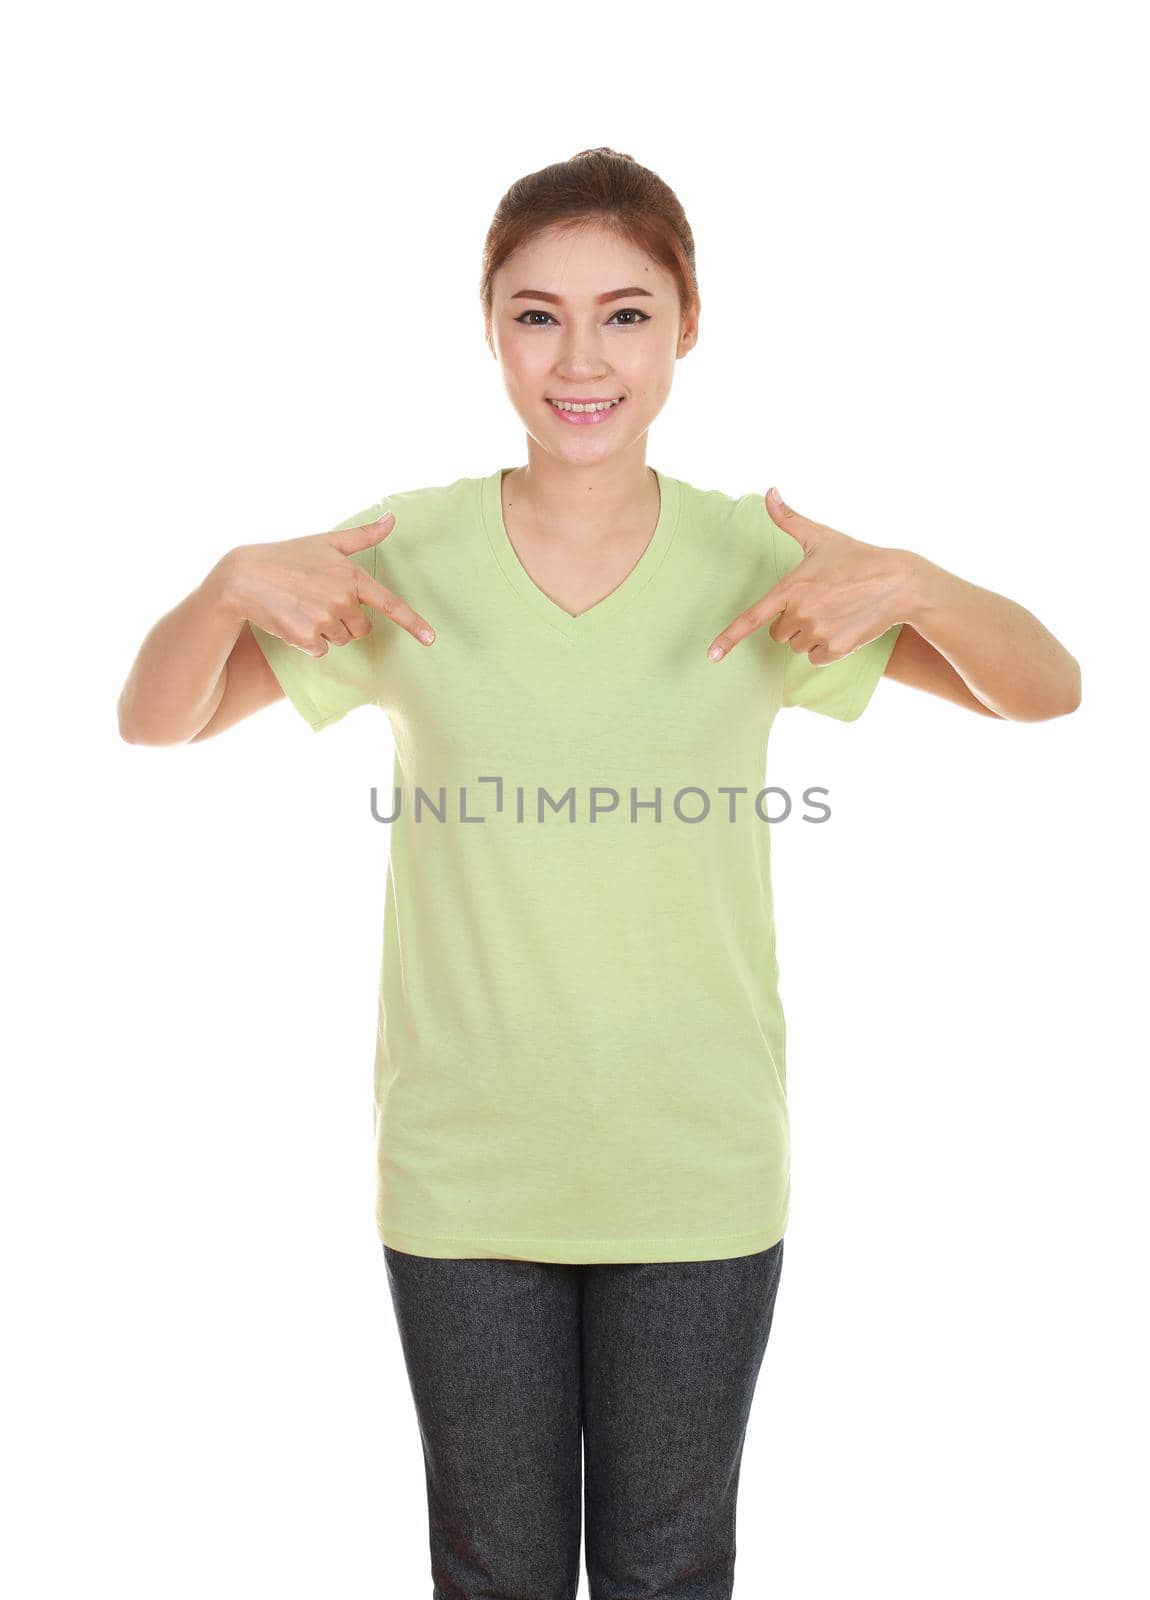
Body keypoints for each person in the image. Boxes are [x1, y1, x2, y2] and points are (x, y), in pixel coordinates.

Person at [117, 147, 1081, 1599]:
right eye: (536, 315)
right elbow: (157, 719)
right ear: (489, 326)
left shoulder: (759, 558)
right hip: (465, 1171)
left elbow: (1045, 690)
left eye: (625, 314)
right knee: (495, 1572)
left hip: (694, 1163)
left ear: (687, 323)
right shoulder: (403, 553)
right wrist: (225, 584)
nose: (581, 359)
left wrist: (913, 580)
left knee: (670, 1569)